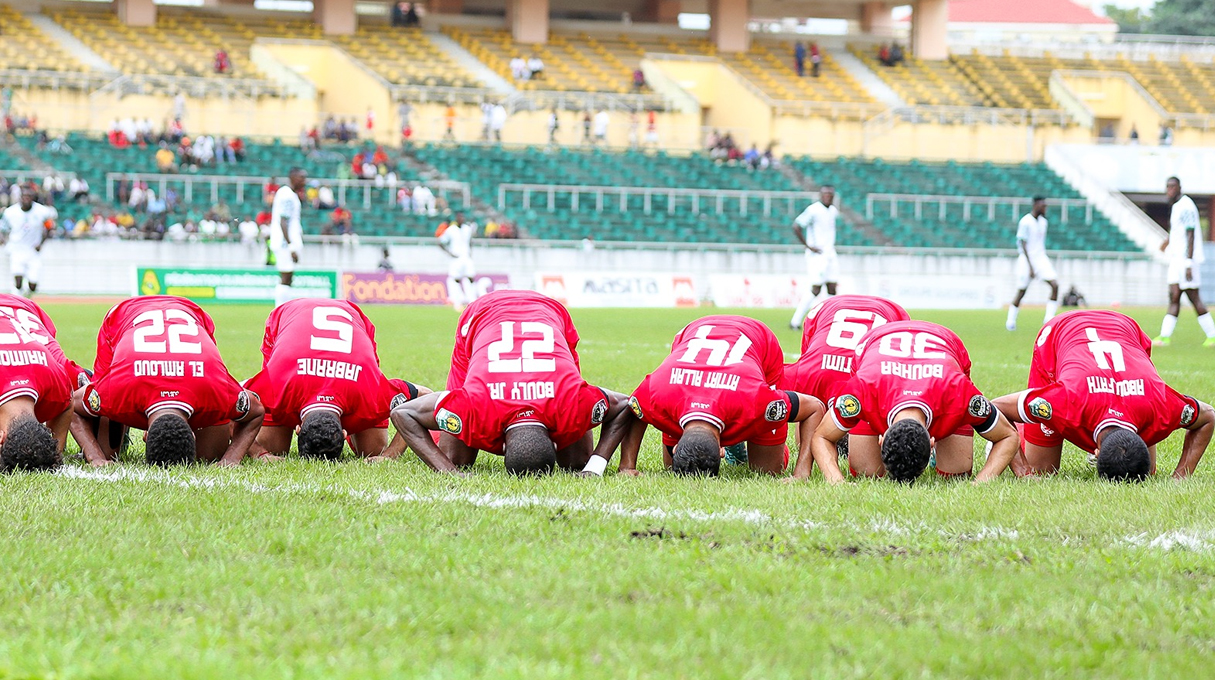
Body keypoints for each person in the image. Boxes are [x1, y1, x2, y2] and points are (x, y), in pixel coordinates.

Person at [391, 290, 633, 475]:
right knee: (456, 459)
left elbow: (404, 414)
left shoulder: (477, 408)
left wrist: (592, 466)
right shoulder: (477, 406)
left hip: (546, 311)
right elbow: (624, 404)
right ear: (553, 439)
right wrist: (451, 470)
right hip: (484, 313)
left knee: (576, 463)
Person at [993, 310, 1214, 480]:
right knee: (1042, 470)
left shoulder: (1159, 406)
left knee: (1148, 470)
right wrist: (1023, 469)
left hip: (1125, 328)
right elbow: (998, 407)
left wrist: (1182, 476)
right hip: (1060, 331)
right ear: (1097, 452)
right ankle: (1022, 431)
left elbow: (1209, 417)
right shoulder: (1064, 402)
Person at [611, 315, 831, 478]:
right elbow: (634, 409)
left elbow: (812, 407)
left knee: (766, 471)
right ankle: (736, 437)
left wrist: (801, 473)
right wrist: (626, 466)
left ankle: (747, 440)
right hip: (695, 334)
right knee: (671, 468)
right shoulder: (659, 393)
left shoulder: (758, 401)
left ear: (721, 450)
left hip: (758, 338)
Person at [810, 320, 1020, 483]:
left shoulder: (960, 393)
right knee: (867, 472)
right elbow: (822, 436)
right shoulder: (861, 390)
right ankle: (855, 432)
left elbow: (1008, 436)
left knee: (956, 474)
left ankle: (938, 454)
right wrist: (835, 480)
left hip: (945, 342)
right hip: (877, 345)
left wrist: (982, 482)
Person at [69, 296, 264, 467]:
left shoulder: (214, 389)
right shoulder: (118, 389)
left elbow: (256, 412)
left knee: (210, 455)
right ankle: (118, 420)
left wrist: (230, 458)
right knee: (108, 449)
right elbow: (71, 402)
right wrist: (95, 456)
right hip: (123, 316)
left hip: (190, 316)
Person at [245, 299, 428, 462]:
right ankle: (355, 424)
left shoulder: (276, 388)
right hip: (289, 318)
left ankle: (355, 425)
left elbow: (424, 396)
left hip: (348, 320)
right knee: (275, 448)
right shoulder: (278, 386)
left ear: (298, 429)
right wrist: (389, 456)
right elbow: (423, 396)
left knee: (372, 451)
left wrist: (259, 453)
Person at [780, 295, 910, 479]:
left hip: (835, 309)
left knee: (805, 430)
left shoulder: (807, 376)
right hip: (885, 311)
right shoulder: (872, 387)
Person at [0, 295, 85, 471]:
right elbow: (66, 402)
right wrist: (57, 453)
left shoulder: (56, 384)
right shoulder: (56, 383)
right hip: (21, 308)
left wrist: (53, 454)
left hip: (25, 315)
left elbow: (67, 402)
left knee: (76, 378)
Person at [1154, 177, 1214, 346]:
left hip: (1186, 260)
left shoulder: (1186, 206)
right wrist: (1167, 241)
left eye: (1172, 187)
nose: (1169, 190)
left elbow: (1191, 233)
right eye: (1167, 187)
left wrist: (1188, 262)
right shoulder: (1177, 206)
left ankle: (1213, 334)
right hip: (1176, 259)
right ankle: (1164, 336)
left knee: (1194, 297)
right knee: (1174, 296)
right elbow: (1178, 232)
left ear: (1180, 187)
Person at [789, 186, 839, 329]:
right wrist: (808, 246)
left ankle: (829, 321)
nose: (828, 196)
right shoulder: (813, 210)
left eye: (830, 194)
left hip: (830, 253)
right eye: (825, 194)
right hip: (817, 255)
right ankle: (795, 321)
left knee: (832, 288)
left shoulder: (833, 211)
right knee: (816, 288)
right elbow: (796, 226)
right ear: (820, 195)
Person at [1006, 196, 1059, 331]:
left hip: (1040, 257)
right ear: (1036, 205)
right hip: (1026, 259)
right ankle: (1010, 321)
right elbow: (1022, 243)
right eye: (1043, 206)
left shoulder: (1043, 222)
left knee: (1054, 285)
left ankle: (1049, 319)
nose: (1045, 208)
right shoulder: (1025, 221)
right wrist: (1030, 266)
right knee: (1022, 291)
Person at [0, 186, 54, 297]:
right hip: (17, 249)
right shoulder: (10, 212)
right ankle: (19, 301)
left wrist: (41, 243)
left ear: (33, 198)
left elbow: (50, 227)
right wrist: (3, 240)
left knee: (33, 285)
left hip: (33, 251)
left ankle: (28, 297)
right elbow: (2, 229)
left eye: (29, 196)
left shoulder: (42, 211)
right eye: (24, 196)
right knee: (18, 281)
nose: (26, 199)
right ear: (20, 197)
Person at [270, 168, 306, 308]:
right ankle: (279, 310)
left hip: (286, 242)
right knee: (285, 276)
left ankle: (283, 309)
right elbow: (283, 221)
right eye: (301, 177)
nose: (304, 181)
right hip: (284, 243)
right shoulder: (287, 195)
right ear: (292, 177)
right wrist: (291, 246)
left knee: (288, 277)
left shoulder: (291, 194)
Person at [440, 212, 477, 310]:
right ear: (456, 219)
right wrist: (449, 253)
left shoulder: (467, 229)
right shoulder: (451, 230)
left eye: (463, 217)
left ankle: (472, 302)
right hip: (456, 258)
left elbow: (470, 242)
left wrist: (470, 252)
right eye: (460, 217)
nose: (462, 219)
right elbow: (441, 242)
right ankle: (457, 303)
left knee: (470, 278)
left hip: (466, 257)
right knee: (456, 279)